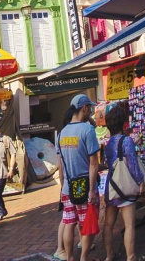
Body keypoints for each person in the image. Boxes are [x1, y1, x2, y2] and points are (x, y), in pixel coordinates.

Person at [57, 94, 100, 261]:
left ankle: (70, 258)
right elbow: (94, 163)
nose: (90, 110)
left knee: (69, 222)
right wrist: (91, 190)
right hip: (85, 187)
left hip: (68, 187)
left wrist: (62, 188)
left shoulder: (62, 133)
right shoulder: (87, 130)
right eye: (89, 107)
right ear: (85, 108)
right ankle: (83, 258)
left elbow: (60, 165)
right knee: (86, 224)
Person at [102, 105, 145, 261]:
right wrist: (141, 182)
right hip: (125, 187)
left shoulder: (108, 144)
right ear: (123, 123)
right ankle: (131, 256)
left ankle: (108, 256)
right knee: (129, 224)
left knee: (108, 224)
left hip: (111, 186)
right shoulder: (127, 141)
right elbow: (132, 165)